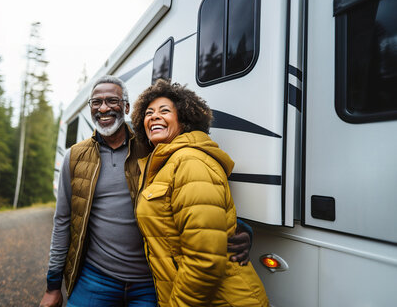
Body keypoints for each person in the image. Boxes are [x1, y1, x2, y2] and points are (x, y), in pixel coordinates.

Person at [39, 75, 253, 307]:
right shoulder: (75, 157)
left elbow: (195, 196)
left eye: (112, 100)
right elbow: (62, 221)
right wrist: (52, 285)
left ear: (127, 107)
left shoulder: (151, 148)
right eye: (96, 102)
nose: (104, 108)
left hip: (150, 281)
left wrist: (241, 229)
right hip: (96, 276)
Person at [130, 79, 269, 306]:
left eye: (164, 111)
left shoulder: (190, 161)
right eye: (148, 113)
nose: (154, 116)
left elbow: (204, 261)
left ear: (184, 120)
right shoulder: (165, 163)